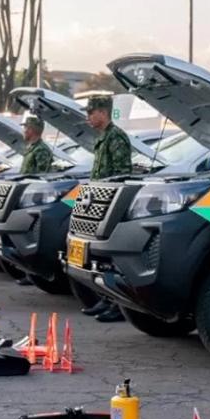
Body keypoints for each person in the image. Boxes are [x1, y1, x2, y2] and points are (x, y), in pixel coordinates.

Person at [78, 94, 133, 323]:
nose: (89, 117)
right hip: (99, 204)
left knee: (111, 259)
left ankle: (117, 306)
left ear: (103, 112)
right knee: (100, 258)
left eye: (91, 112)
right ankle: (105, 299)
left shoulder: (116, 137)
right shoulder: (103, 138)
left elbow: (122, 174)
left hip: (111, 205)